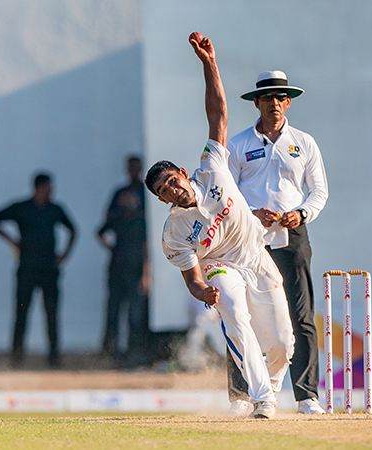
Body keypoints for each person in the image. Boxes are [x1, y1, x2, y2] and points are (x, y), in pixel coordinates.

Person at [144, 34, 294, 419]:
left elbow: (218, 114)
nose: (172, 190)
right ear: (161, 200)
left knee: (282, 343)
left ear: (183, 172)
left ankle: (270, 387)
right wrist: (204, 292)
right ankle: (262, 399)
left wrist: (208, 63)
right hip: (220, 267)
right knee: (235, 314)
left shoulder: (211, 167)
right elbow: (192, 278)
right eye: (164, 191)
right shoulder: (174, 233)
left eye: (172, 181)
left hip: (256, 257)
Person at [226, 70, 329, 415]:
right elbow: (227, 194)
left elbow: (319, 191)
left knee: (301, 315)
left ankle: (306, 396)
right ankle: (242, 396)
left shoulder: (303, 142)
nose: (275, 103)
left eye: (281, 97)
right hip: (247, 238)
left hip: (291, 236)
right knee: (241, 314)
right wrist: (251, 213)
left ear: (289, 102)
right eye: (268, 97)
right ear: (256, 102)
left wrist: (301, 213)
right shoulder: (239, 144)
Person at [0, 172, 76, 368]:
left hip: (49, 268)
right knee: (21, 313)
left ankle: (53, 356)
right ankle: (17, 356)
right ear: (38, 188)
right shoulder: (22, 208)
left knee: (51, 313)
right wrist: (11, 240)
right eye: (48, 188)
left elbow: (73, 229)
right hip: (27, 269)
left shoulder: (54, 209)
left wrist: (64, 255)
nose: (51, 191)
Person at [97, 156, 150, 367]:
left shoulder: (145, 199)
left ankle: (134, 352)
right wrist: (112, 248)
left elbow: (147, 244)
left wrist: (146, 273)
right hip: (117, 267)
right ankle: (110, 350)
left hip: (136, 267)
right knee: (113, 309)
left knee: (135, 313)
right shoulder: (118, 204)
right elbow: (102, 228)